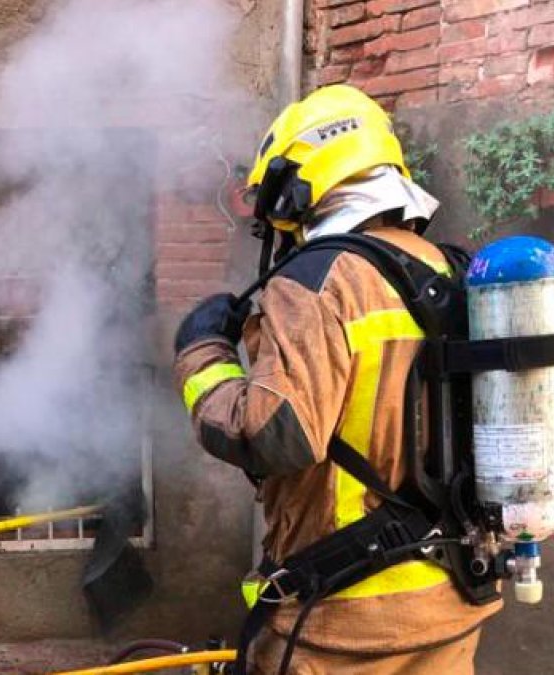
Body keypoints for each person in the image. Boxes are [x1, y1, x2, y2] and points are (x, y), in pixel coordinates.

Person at [173, 84, 502, 674]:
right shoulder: (449, 271)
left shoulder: (319, 281)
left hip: (345, 621)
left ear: (297, 188)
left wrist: (202, 353)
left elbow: (274, 435)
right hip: (450, 602)